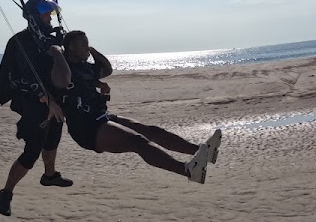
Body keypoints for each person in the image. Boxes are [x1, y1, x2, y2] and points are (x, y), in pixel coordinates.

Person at [59, 29, 221, 184]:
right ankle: (188, 171)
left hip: (101, 116)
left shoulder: (85, 67)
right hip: (85, 128)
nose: (87, 48)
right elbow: (63, 80)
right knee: (138, 142)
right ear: (71, 47)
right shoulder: (63, 70)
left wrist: (93, 51)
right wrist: (58, 54)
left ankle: (202, 152)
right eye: (83, 44)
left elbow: (107, 69)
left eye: (88, 44)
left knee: (151, 131)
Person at [0, 0, 73, 216]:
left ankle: (50, 176)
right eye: (45, 12)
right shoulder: (21, 41)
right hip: (33, 102)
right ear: (33, 16)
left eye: (51, 12)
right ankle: (6, 193)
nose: (49, 16)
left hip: (55, 101)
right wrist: (48, 101)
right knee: (32, 152)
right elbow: (26, 77)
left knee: (52, 140)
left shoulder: (51, 38)